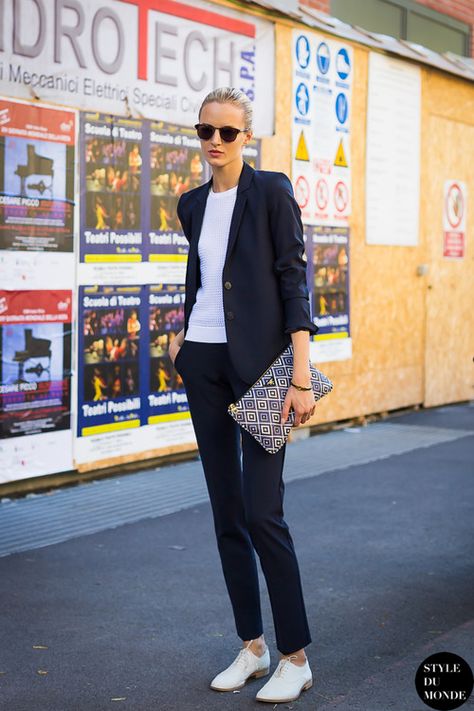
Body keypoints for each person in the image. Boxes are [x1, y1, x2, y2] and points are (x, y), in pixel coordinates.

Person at [169, 87, 319, 704]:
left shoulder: (273, 192)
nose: (214, 141)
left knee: (263, 513)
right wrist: (183, 340)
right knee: (226, 513)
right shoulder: (191, 203)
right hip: (203, 361)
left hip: (262, 370)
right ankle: (252, 648)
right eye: (205, 130)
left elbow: (293, 279)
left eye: (227, 132)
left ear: (245, 138)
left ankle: (296, 656)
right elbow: (202, 279)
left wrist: (301, 377)